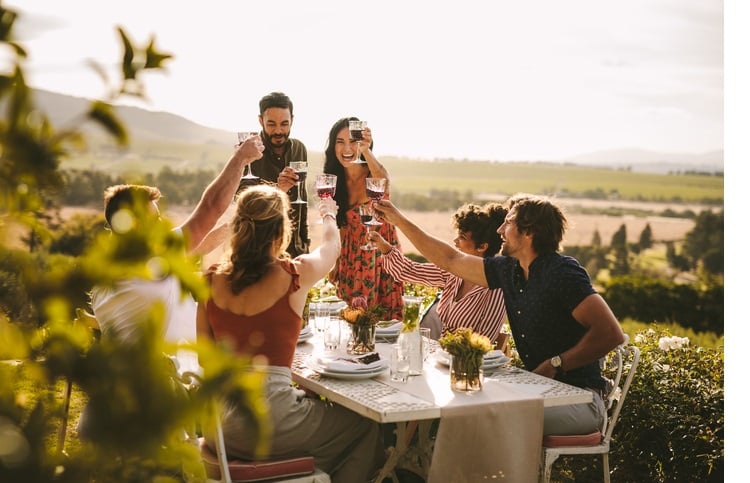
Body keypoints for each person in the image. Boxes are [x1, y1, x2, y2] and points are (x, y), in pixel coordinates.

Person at [373, 193, 626, 436]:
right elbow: (450, 259)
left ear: (529, 232)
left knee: (484, 416)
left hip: (580, 399)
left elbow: (610, 334)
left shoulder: (562, 273)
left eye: (509, 222)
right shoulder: (510, 271)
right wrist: (398, 220)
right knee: (466, 408)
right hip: (538, 391)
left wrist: (555, 364)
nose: (499, 230)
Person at [196, 185, 384, 482]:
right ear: (282, 230)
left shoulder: (209, 281)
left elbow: (205, 360)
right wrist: (329, 215)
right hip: (268, 422)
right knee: (365, 426)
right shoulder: (295, 274)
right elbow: (331, 250)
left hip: (218, 425)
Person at [369, 202, 508, 343]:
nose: (455, 241)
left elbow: (483, 341)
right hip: (440, 356)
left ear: (482, 246)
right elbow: (409, 271)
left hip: (465, 360)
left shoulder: (496, 289)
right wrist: (384, 246)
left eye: (462, 237)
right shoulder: (453, 273)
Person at [323, 117, 404, 320]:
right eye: (340, 141)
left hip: (380, 255)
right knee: (354, 320)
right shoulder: (334, 179)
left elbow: (383, 182)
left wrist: (366, 151)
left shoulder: (373, 173)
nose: (346, 148)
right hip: (351, 257)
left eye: (353, 141)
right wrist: (337, 262)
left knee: (383, 322)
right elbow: (341, 224)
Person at [247, 91, 309, 258]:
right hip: (261, 252)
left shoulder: (299, 149)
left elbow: (301, 200)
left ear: (292, 120)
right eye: (271, 124)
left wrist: (305, 244)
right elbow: (244, 207)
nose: (278, 131)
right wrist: (278, 190)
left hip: (296, 251)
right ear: (260, 120)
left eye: (284, 124)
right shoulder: (248, 152)